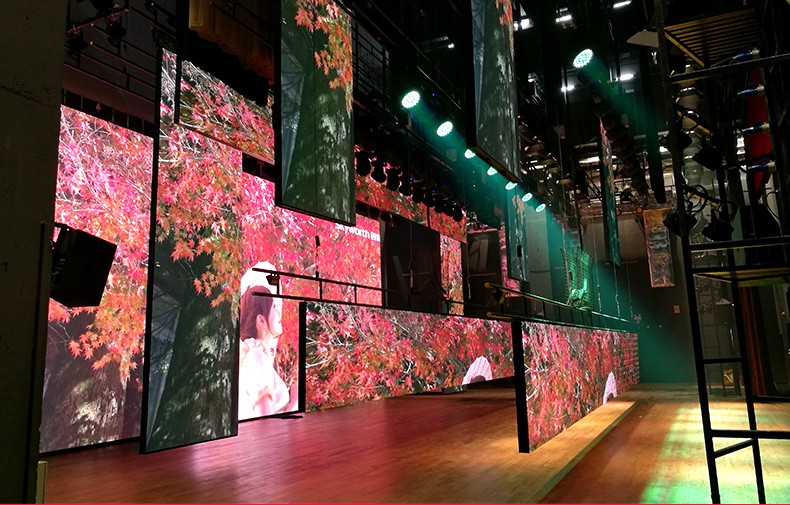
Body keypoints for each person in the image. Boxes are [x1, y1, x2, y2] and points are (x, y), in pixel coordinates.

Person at [238, 262, 292, 419]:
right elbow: (265, 423)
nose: (279, 312)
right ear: (261, 320)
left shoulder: (258, 358)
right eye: (274, 307)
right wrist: (296, 397)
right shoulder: (256, 358)